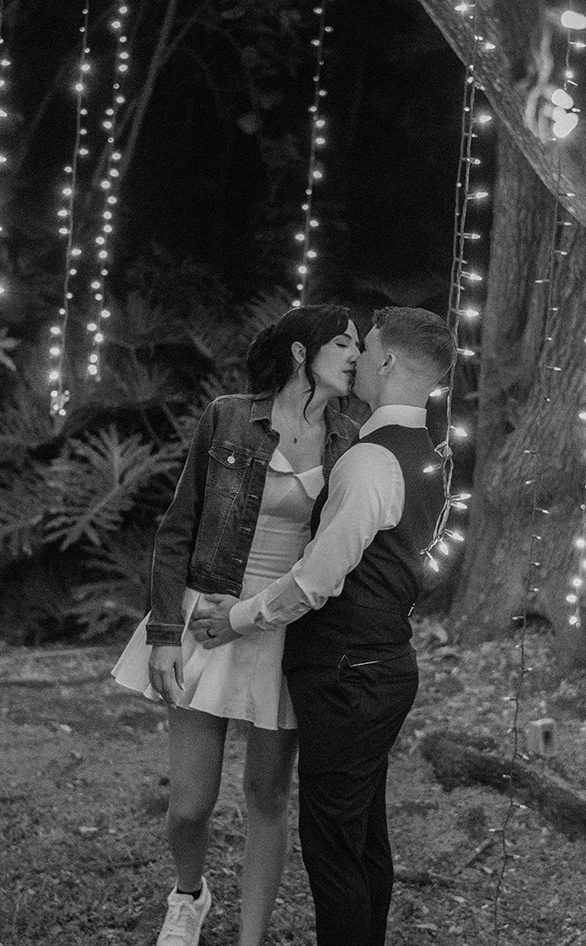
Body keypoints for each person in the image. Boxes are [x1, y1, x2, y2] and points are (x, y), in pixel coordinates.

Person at [193, 306, 456, 946]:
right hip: (381, 667)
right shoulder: (430, 456)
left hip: (349, 676)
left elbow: (317, 580)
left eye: (364, 348)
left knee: (335, 848)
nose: (355, 358)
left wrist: (235, 619)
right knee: (363, 838)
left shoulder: (370, 462)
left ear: (388, 362)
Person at [111, 304, 364, 946]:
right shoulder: (228, 416)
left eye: (360, 346)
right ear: (302, 352)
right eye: (343, 343)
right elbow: (178, 529)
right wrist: (167, 635)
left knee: (267, 795)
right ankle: (188, 895)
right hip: (206, 618)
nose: (355, 355)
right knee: (189, 805)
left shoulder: (349, 439)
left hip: (283, 628)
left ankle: (251, 938)